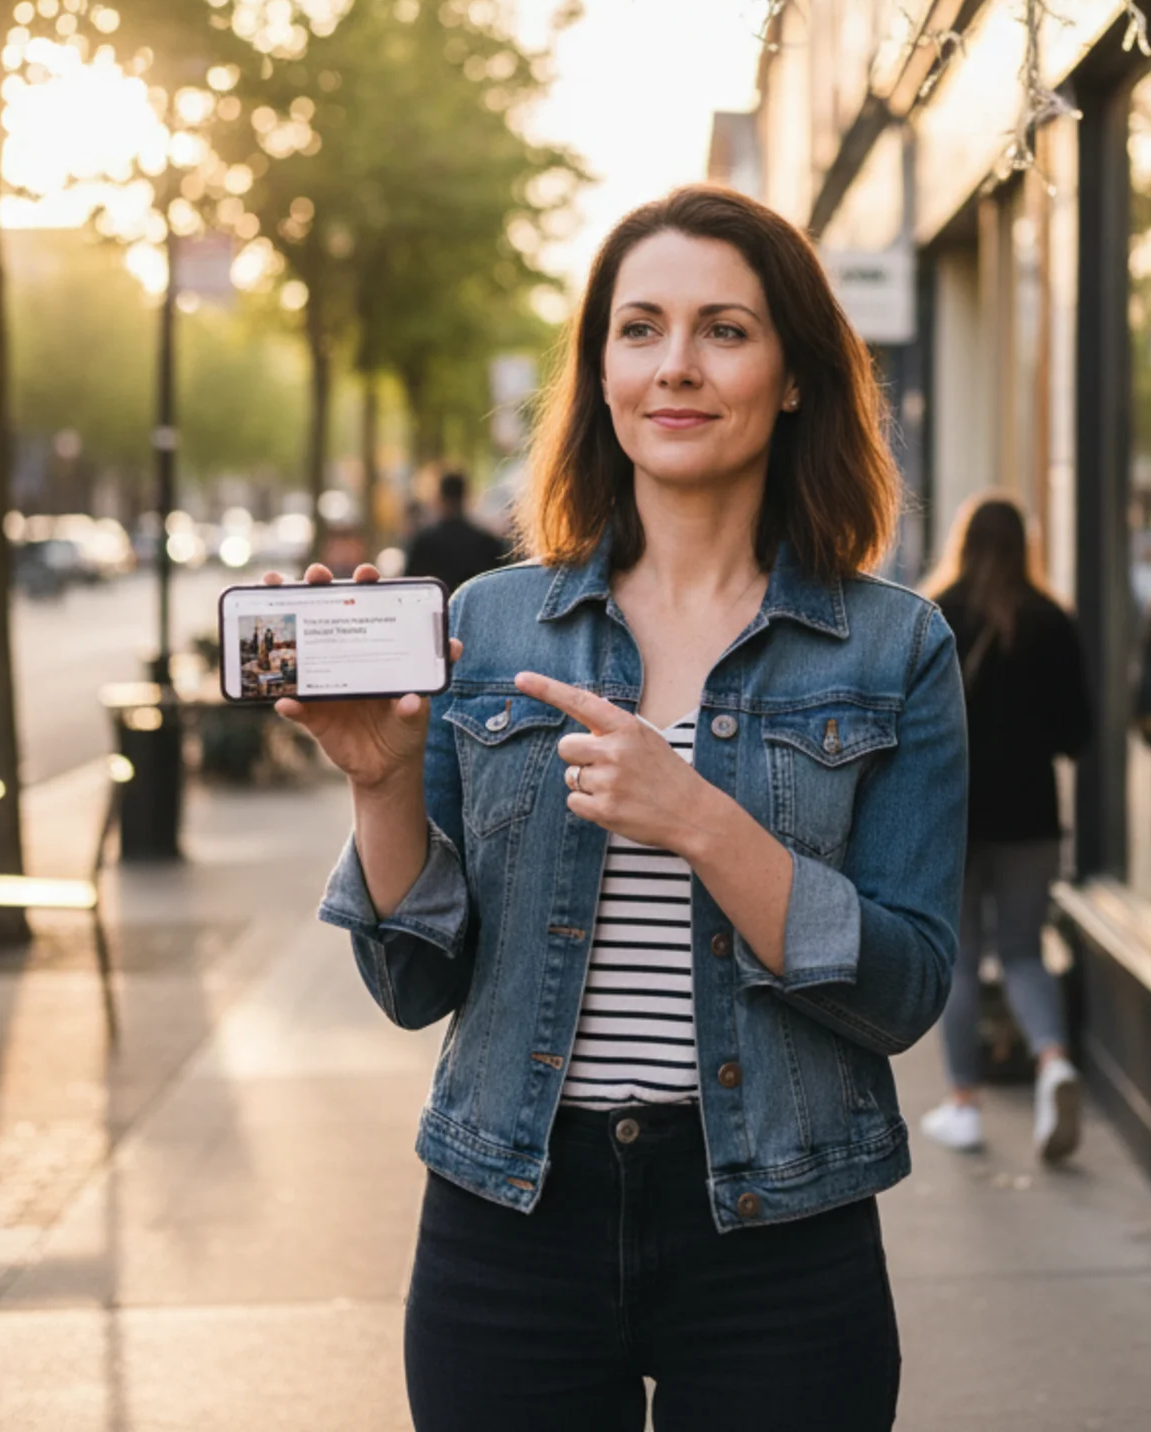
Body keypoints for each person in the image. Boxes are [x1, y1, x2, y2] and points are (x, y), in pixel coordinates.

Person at [281, 184, 967, 1432]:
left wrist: (700, 816)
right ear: (600, 371)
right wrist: (379, 784)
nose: (677, 367)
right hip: (510, 1222)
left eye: (724, 329)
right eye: (639, 328)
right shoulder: (486, 622)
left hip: (778, 1227)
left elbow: (905, 987)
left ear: (796, 373)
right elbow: (413, 984)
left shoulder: (895, 647)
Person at [920, 493, 1091, 1163]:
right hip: (1032, 816)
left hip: (955, 815)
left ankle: (964, 1104)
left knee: (960, 958)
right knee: (1023, 950)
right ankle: (1054, 1063)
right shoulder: (1052, 619)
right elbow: (1077, 733)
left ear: (962, 542)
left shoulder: (939, 615)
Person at [404, 469, 509, 593]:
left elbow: (410, 586)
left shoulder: (423, 543)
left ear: (440, 497)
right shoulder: (488, 542)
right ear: (465, 496)